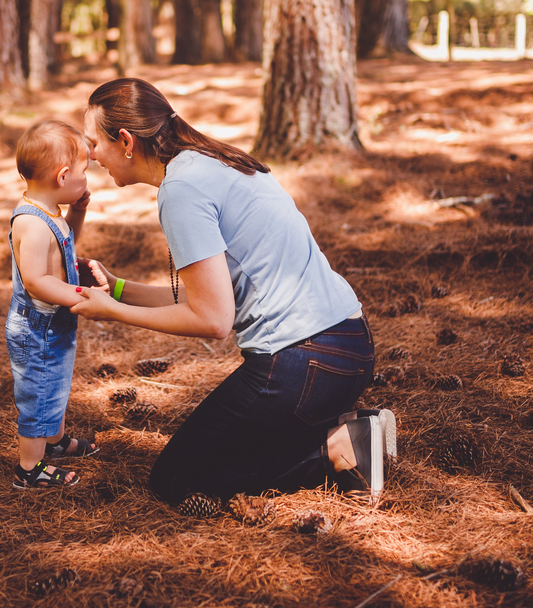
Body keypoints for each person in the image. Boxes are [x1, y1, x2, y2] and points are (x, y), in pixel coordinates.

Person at [72, 78, 396, 504]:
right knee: (227, 451)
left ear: (127, 141)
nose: (90, 156)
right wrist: (117, 289)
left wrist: (112, 313)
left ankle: (335, 451)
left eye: (93, 143)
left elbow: (213, 320)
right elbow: (211, 295)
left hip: (301, 361)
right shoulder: (210, 161)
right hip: (346, 346)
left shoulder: (181, 190)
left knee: (175, 480)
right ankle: (338, 429)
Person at [6, 119, 103, 489]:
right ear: (62, 176)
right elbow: (36, 280)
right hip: (37, 329)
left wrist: (78, 212)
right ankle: (29, 468)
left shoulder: (52, 213)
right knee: (39, 393)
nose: (87, 181)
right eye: (84, 173)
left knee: (56, 385)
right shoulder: (31, 223)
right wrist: (82, 296)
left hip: (54, 323)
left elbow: (66, 248)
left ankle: (55, 441)